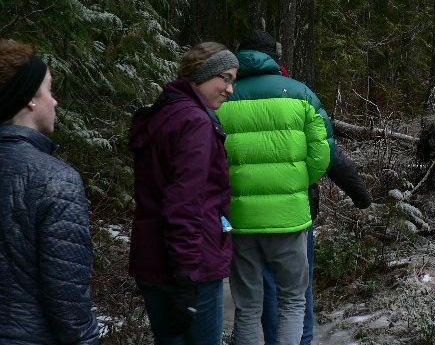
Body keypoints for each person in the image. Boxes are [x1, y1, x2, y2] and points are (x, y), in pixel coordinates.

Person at [216, 30, 335, 345]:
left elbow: (210, 158)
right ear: (275, 57)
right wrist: (296, 183)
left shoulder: (222, 97)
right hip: (289, 217)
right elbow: (323, 153)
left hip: (239, 217)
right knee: (293, 300)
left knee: (247, 307)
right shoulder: (300, 94)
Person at [129, 42, 239, 345]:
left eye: (233, 80)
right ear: (202, 74)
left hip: (154, 259)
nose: (230, 89)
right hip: (191, 265)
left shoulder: (164, 112)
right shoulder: (195, 123)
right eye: (225, 78)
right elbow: (185, 204)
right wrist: (186, 274)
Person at [0, 39, 99, 344]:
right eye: (48, 90)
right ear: (30, 99)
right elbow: (67, 298)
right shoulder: (55, 179)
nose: (54, 102)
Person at [262, 147, 372, 345]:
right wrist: (360, 194)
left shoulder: (231, 123)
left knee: (265, 285)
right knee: (298, 285)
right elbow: (326, 150)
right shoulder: (306, 123)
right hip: (295, 212)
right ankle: (302, 341)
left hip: (248, 217)